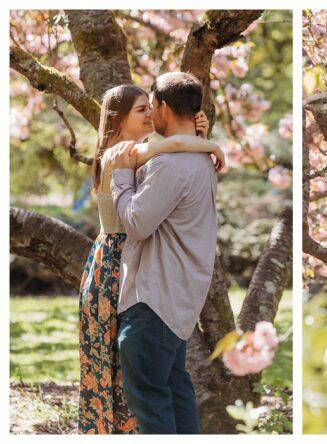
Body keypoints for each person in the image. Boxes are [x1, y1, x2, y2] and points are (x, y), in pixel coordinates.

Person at [78, 83, 222, 434]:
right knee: (119, 374)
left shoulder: (145, 152)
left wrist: (201, 139)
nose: (149, 113)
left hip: (133, 269)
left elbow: (173, 147)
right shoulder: (119, 153)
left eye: (151, 106)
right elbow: (174, 145)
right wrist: (209, 143)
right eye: (141, 108)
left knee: (148, 379)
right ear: (119, 117)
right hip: (113, 266)